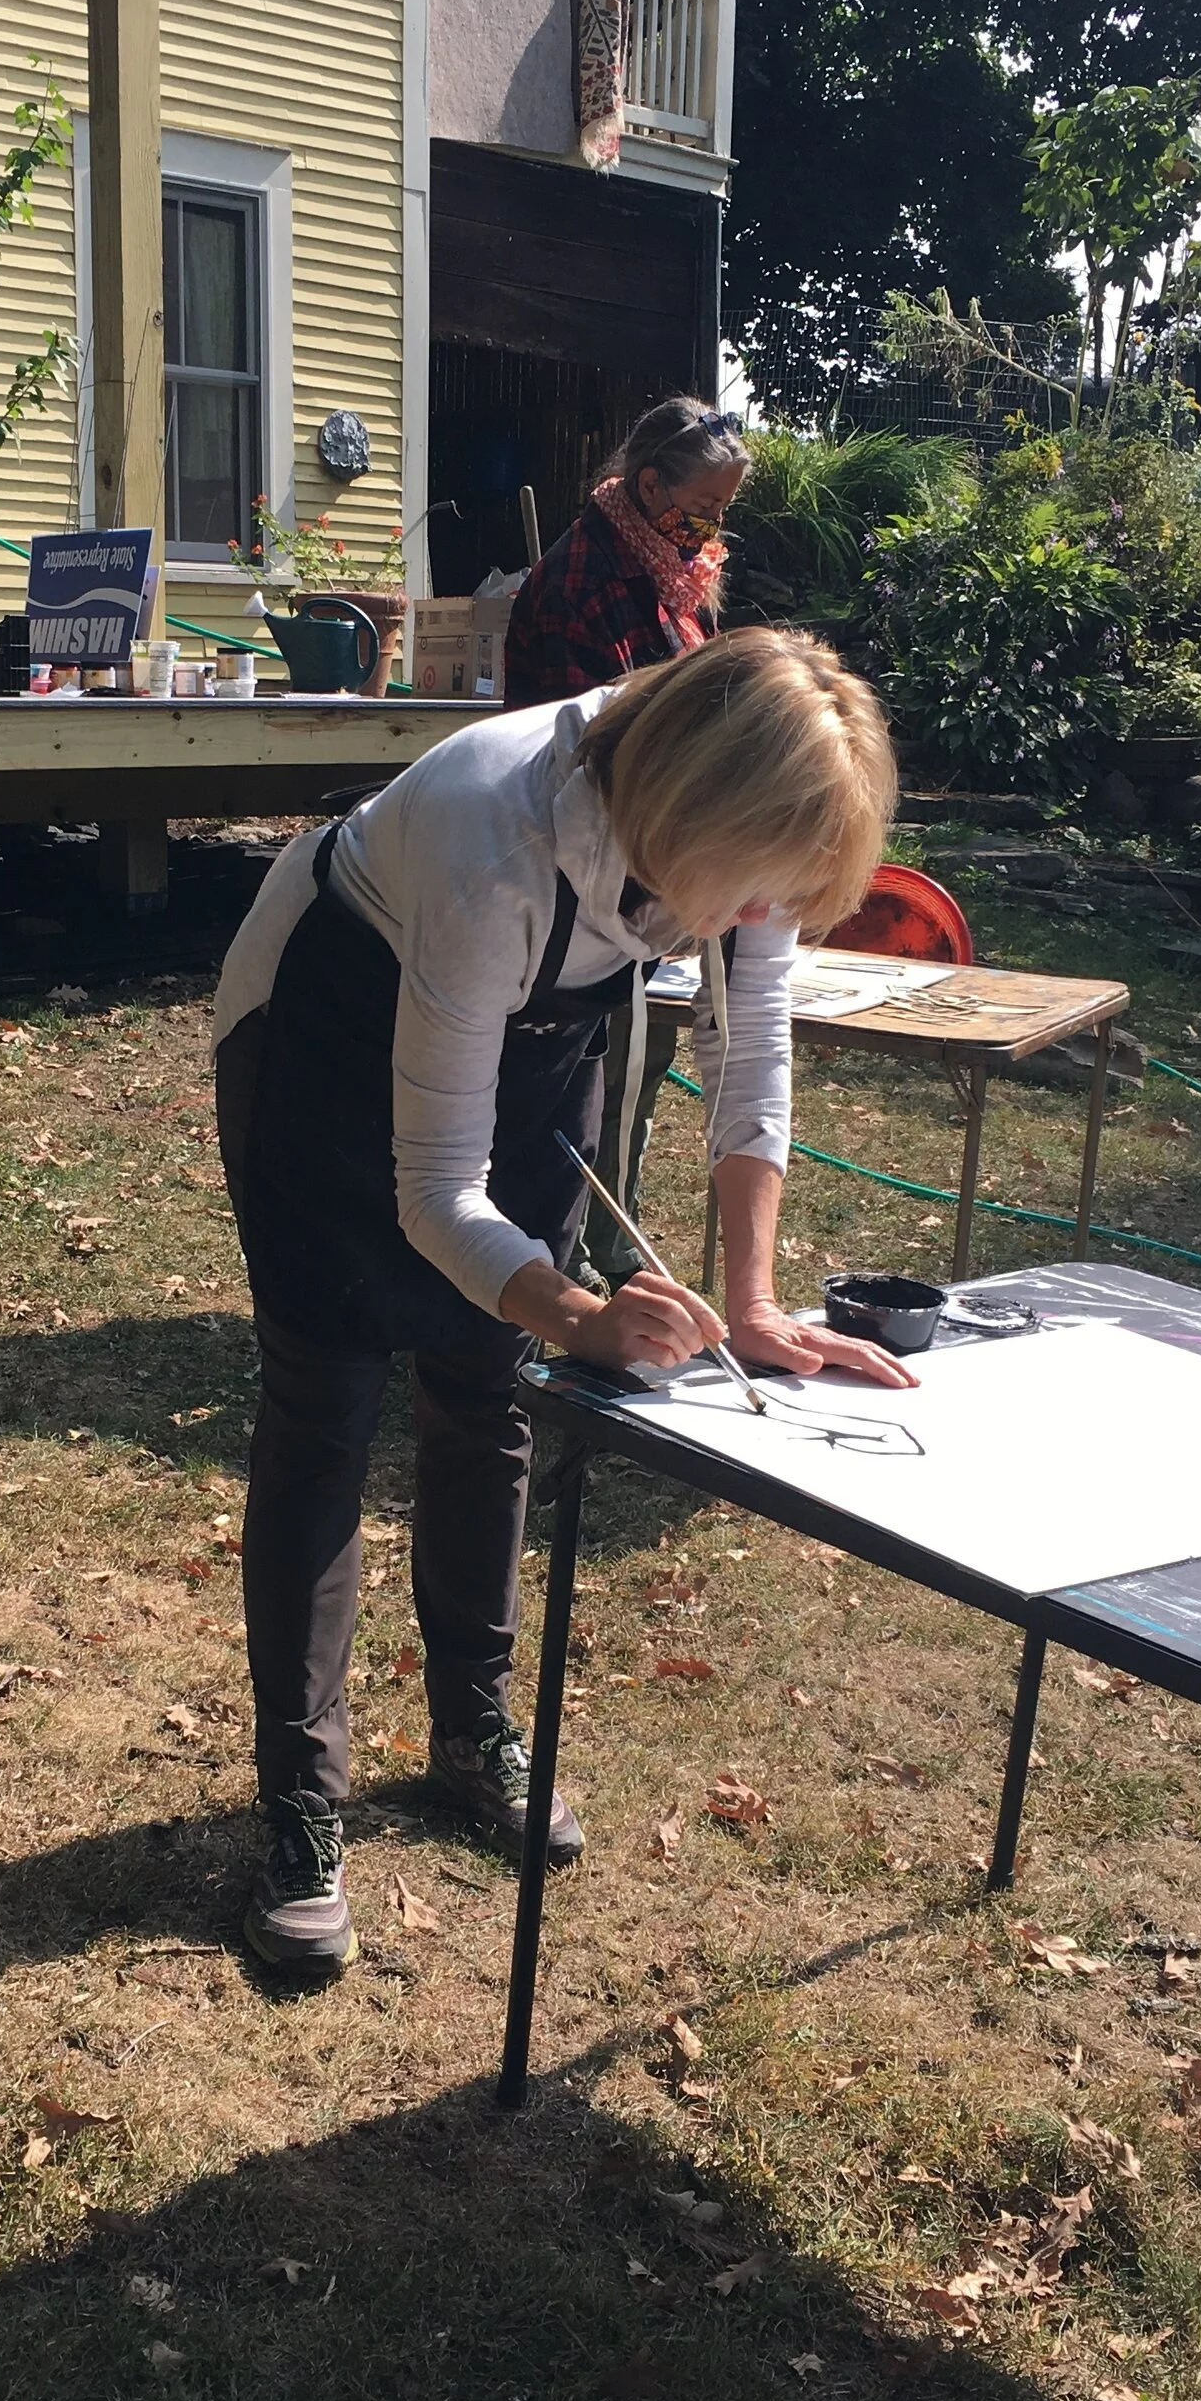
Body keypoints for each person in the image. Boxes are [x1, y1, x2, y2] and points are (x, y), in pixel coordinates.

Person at [212, 625, 909, 1974]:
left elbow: (748, 1055)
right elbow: (430, 1195)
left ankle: (473, 1733)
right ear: (684, 817)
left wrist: (752, 1300)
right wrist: (582, 1315)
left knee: (490, 1389)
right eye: (753, 894)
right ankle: (301, 1805)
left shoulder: (733, 846)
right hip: (321, 1040)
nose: (759, 922)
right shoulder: (493, 831)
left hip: (512, 1055)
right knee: (328, 1413)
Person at [501, 398, 751, 1284]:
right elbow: (600, 753)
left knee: (637, 1066)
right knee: (575, 1072)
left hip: (651, 864)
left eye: (724, 512)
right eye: (703, 508)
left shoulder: (674, 576)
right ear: (650, 486)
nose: (713, 529)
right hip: (569, 868)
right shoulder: (584, 580)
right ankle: (546, 1262)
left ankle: (604, 1242)